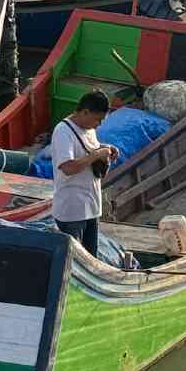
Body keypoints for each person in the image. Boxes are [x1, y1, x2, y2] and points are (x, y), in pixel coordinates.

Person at [51, 91, 116, 256]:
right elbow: (68, 168)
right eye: (97, 119)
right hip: (72, 210)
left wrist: (105, 148)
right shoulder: (63, 131)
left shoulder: (89, 129)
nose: (99, 124)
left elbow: (88, 148)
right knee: (72, 260)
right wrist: (96, 155)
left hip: (91, 207)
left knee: (91, 258)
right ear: (85, 111)